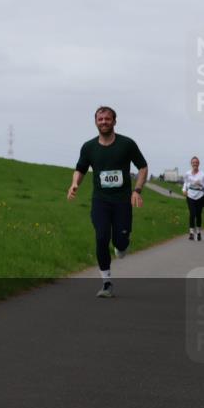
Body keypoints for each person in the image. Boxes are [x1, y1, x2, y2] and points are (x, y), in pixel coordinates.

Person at [67, 106, 148, 298]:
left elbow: (143, 167)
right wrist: (74, 184)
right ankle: (106, 282)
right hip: (100, 201)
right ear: (95, 122)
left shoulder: (126, 144)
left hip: (122, 201)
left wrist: (137, 190)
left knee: (120, 243)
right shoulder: (89, 147)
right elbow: (80, 168)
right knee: (101, 236)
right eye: (100, 119)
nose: (104, 122)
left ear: (114, 121)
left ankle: (121, 245)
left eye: (107, 119)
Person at [182, 157, 204, 241]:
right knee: (192, 214)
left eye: (196, 162)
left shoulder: (203, 174)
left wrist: (200, 184)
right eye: (193, 162)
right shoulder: (187, 174)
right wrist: (184, 190)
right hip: (190, 195)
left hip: (200, 195)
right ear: (191, 164)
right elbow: (185, 183)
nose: (195, 164)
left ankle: (198, 232)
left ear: (198, 164)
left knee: (198, 214)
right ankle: (191, 233)